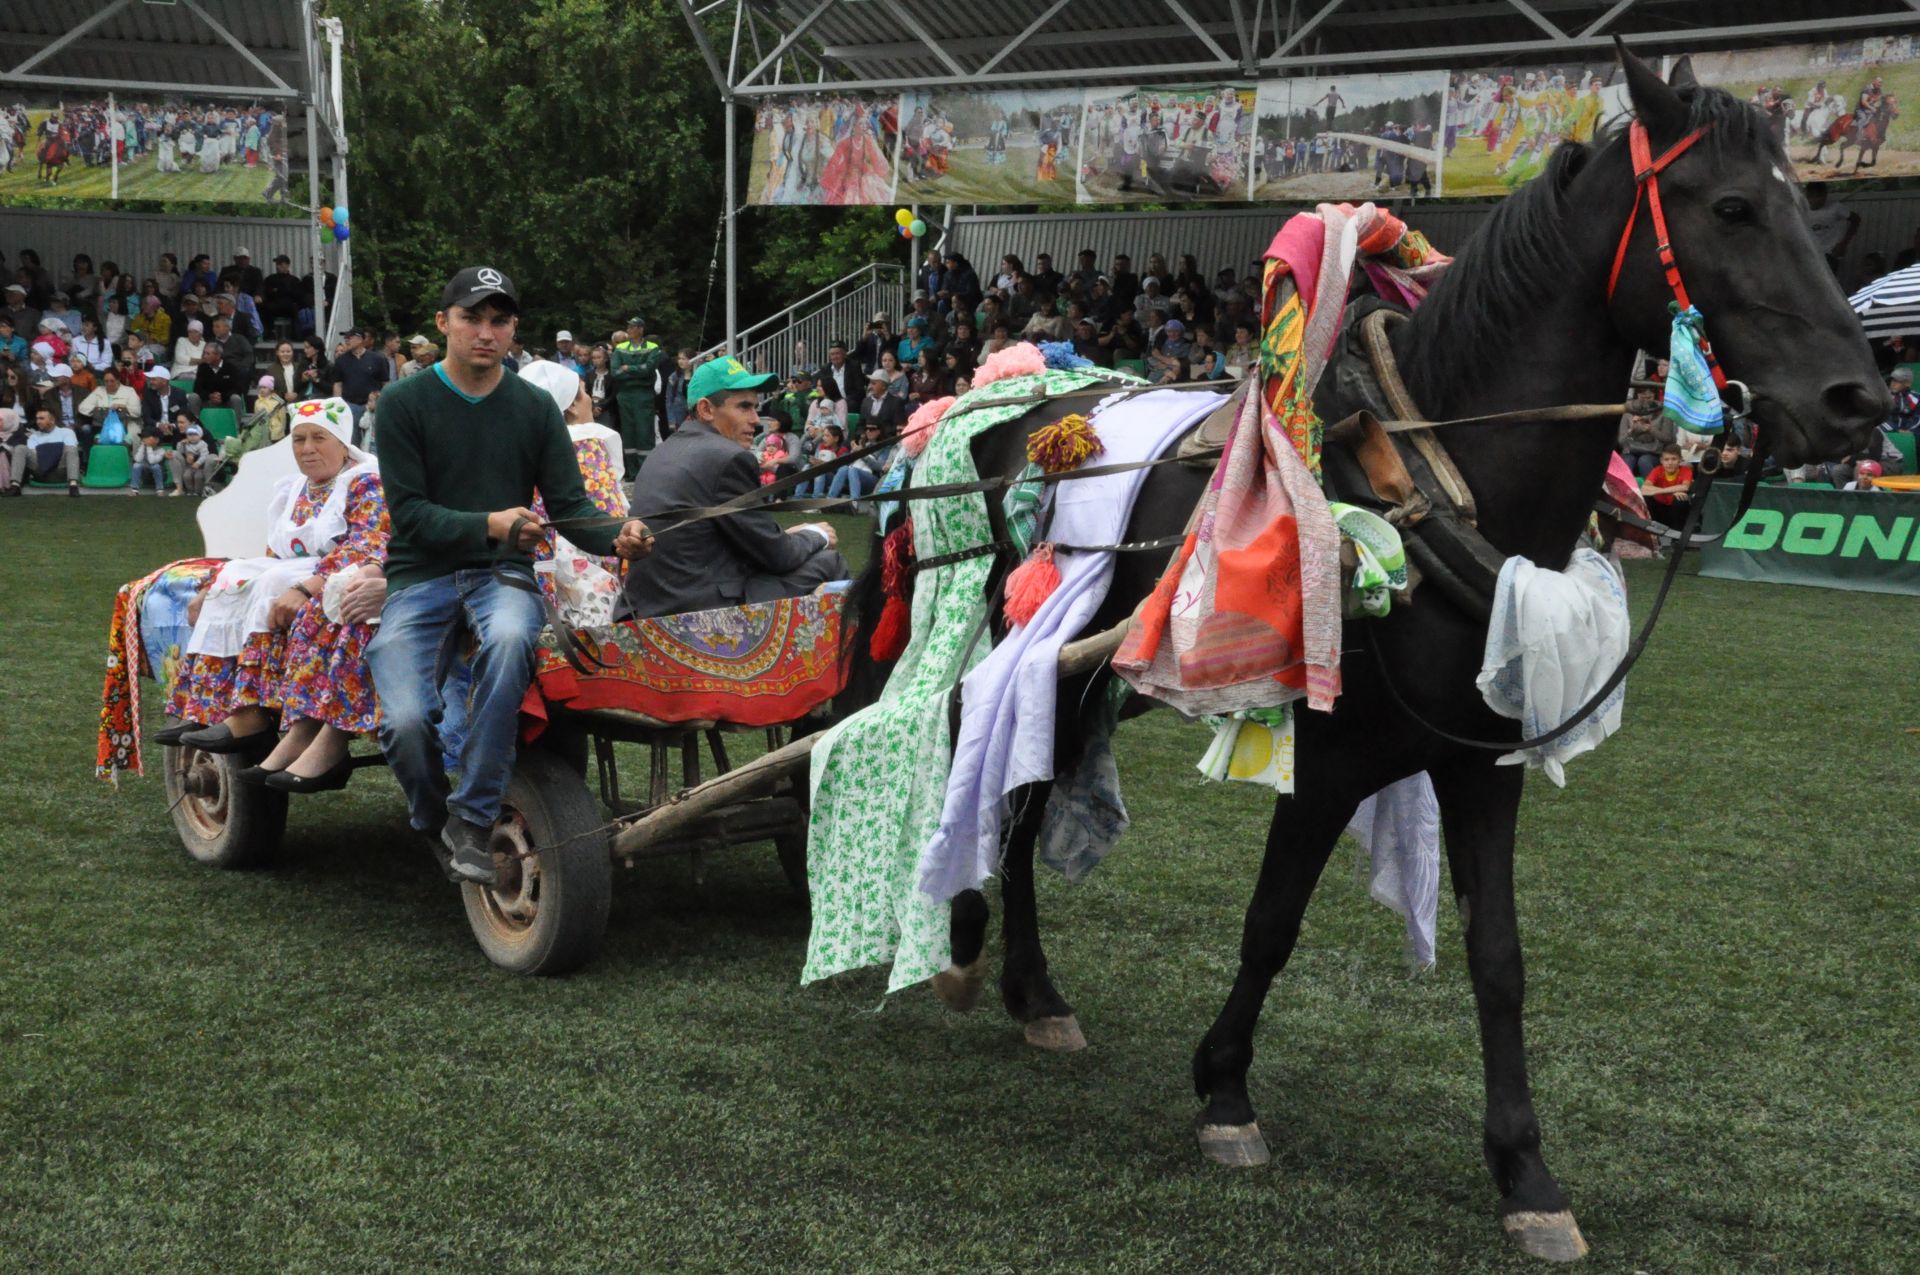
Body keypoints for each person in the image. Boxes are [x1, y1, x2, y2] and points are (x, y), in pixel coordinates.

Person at [364, 266, 653, 886]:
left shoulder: (533, 407)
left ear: (514, 328)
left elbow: (572, 508)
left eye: (499, 320)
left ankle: (471, 815)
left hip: (501, 574)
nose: (486, 332)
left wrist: (619, 536)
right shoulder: (403, 402)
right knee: (406, 723)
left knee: (513, 640)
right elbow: (409, 516)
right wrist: (491, 524)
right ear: (443, 324)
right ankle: (432, 818)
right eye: (472, 318)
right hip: (420, 574)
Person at [166, 400, 382, 775]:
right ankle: (210, 705)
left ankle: (255, 711)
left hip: (341, 571)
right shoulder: (293, 487)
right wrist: (222, 583)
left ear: (343, 443)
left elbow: (367, 544)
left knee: (270, 581)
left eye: (319, 438)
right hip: (294, 568)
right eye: (298, 440)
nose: (307, 448)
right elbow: (274, 548)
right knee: (233, 581)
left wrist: (307, 586)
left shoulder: (364, 481)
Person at [619, 357, 847, 620]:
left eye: (755, 407)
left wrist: (783, 537)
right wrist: (815, 534)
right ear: (706, 409)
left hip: (648, 605)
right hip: (697, 612)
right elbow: (778, 556)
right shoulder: (728, 457)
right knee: (831, 561)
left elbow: (720, 539)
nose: (756, 420)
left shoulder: (662, 452)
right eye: (744, 407)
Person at [609, 315, 665, 465]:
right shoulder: (620, 348)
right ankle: (631, 469)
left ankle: (646, 467)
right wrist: (637, 371)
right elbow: (615, 372)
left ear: (641, 329)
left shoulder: (652, 347)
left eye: (632, 327)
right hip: (625, 395)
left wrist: (628, 368)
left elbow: (648, 369)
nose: (629, 330)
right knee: (628, 431)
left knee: (645, 431)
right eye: (628, 327)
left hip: (644, 394)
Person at [5, 405, 81, 495]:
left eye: (41, 419)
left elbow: (70, 450)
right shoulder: (34, 436)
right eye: (37, 419)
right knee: (20, 448)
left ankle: (73, 486)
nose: (38, 422)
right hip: (41, 471)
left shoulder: (66, 432)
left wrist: (42, 449)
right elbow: (33, 453)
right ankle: (15, 486)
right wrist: (57, 448)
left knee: (71, 449)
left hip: (61, 470)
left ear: (52, 421)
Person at [330, 327, 389, 440]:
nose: (346, 340)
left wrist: (381, 402)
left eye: (350, 338)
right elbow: (338, 384)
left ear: (360, 339)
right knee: (352, 440)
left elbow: (385, 383)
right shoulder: (341, 360)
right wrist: (338, 405)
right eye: (345, 338)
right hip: (350, 406)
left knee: (373, 441)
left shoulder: (378, 358)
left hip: (373, 406)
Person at [828, 416, 894, 504]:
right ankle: (829, 500)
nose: (868, 431)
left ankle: (854, 503)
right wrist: (853, 453)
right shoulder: (862, 443)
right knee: (844, 468)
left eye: (872, 429)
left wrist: (862, 454)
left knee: (852, 469)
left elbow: (880, 467)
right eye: (866, 428)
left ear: (879, 431)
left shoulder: (884, 447)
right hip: (852, 475)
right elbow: (845, 461)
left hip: (872, 479)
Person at [1641, 445, 1692, 529]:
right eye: (1666, 459)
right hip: (1659, 510)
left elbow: (1684, 487)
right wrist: (1673, 491)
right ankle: (1650, 529)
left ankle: (1677, 534)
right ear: (1661, 460)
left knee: (1681, 499)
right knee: (1646, 497)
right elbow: (1644, 488)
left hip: (1675, 511)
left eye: (1674, 459)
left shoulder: (1685, 470)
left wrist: (1655, 491)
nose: (1670, 463)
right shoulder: (1657, 470)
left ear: (1680, 460)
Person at [169, 422, 221, 496]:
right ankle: (190, 491)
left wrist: (198, 463)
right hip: (189, 467)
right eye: (190, 435)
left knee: (198, 477)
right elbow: (180, 451)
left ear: (200, 436)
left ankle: (198, 491)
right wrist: (181, 443)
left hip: (200, 467)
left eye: (195, 434)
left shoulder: (203, 444)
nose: (192, 437)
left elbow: (204, 455)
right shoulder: (186, 444)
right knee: (186, 476)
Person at [127, 429, 170, 494]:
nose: (143, 440)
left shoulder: (161, 450)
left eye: (146, 437)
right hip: (146, 477)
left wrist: (148, 447)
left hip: (160, 477)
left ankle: (160, 490)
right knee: (136, 465)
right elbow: (137, 459)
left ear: (156, 440)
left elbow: (152, 461)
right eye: (142, 438)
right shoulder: (143, 448)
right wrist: (142, 447)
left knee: (156, 466)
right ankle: (134, 490)